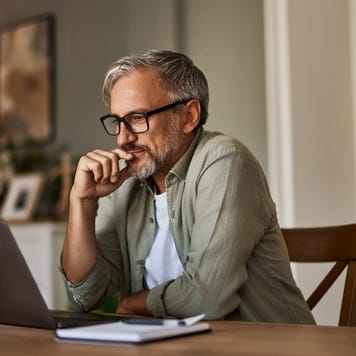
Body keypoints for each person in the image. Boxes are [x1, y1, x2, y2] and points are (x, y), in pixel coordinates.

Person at [60, 50, 315, 324]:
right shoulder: (124, 181)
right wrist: (82, 201)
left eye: (137, 118)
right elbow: (86, 296)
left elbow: (206, 299)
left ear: (189, 115)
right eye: (117, 122)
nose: (123, 139)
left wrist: (135, 304)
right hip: (173, 344)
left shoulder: (224, 160)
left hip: (266, 345)